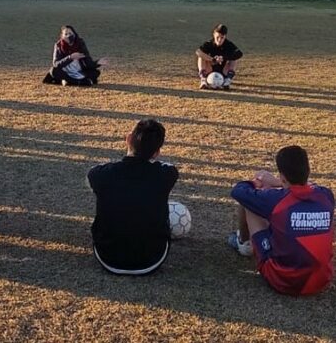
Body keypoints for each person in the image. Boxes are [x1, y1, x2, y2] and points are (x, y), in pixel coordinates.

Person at [228, 145, 334, 295]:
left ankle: (244, 244)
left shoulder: (276, 199)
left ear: (283, 177)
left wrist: (257, 182)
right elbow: (310, 188)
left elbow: (238, 191)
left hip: (283, 280)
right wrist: (279, 183)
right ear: (308, 172)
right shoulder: (326, 195)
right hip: (321, 280)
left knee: (250, 202)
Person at [88, 119, 179, 275]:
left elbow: (93, 176)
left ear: (128, 139)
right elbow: (167, 167)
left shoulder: (101, 173)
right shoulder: (167, 174)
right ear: (157, 153)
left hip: (107, 256)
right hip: (152, 259)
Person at [42, 25, 109, 86]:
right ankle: (77, 81)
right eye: (66, 34)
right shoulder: (58, 45)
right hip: (65, 71)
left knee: (95, 72)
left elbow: (88, 62)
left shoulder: (80, 43)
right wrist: (70, 57)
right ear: (62, 36)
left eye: (70, 33)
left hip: (79, 71)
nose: (68, 36)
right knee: (53, 71)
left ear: (74, 34)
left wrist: (98, 63)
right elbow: (56, 64)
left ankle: (71, 81)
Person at [196, 24, 243, 90]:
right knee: (201, 56)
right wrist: (212, 60)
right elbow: (198, 52)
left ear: (225, 36)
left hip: (223, 70)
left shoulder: (228, 44)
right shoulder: (209, 43)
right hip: (209, 70)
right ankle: (203, 80)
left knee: (234, 57)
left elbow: (239, 54)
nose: (219, 40)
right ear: (214, 34)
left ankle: (227, 80)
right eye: (217, 37)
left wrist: (223, 58)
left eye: (222, 37)